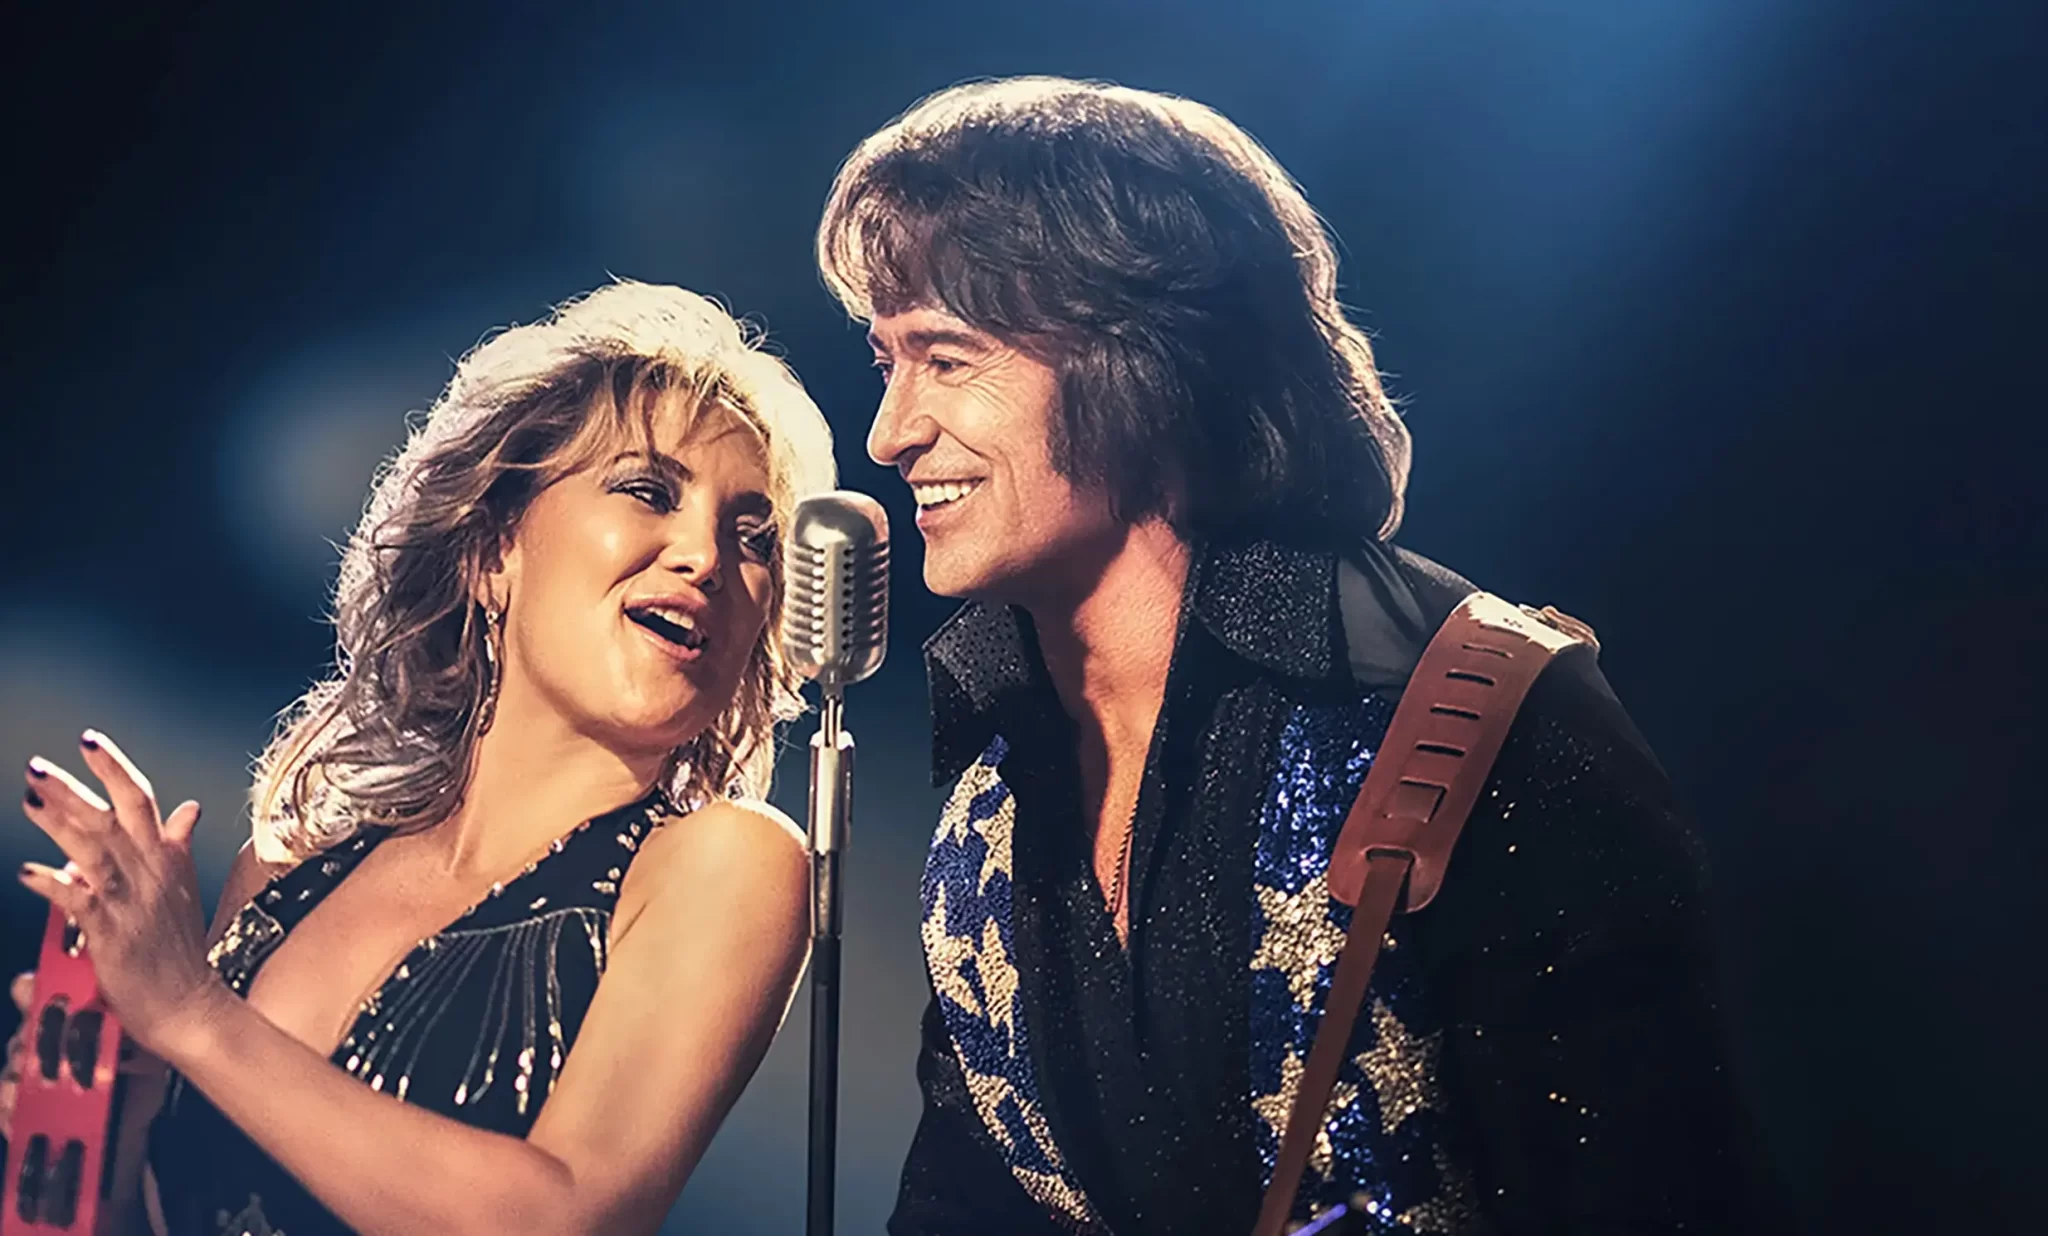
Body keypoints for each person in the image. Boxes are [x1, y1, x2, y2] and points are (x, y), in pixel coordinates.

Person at [817, 78, 1767, 1234]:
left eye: (946, 358)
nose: (888, 434)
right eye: (887, 361)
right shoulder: (988, 806)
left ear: (1141, 359)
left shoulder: (1483, 712)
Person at [7, 280, 837, 1235]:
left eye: (752, 538)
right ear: (493, 550)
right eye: (649, 492)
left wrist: (192, 1015)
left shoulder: (727, 862)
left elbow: (566, 1217)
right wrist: (105, 1127)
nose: (706, 557)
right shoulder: (285, 873)